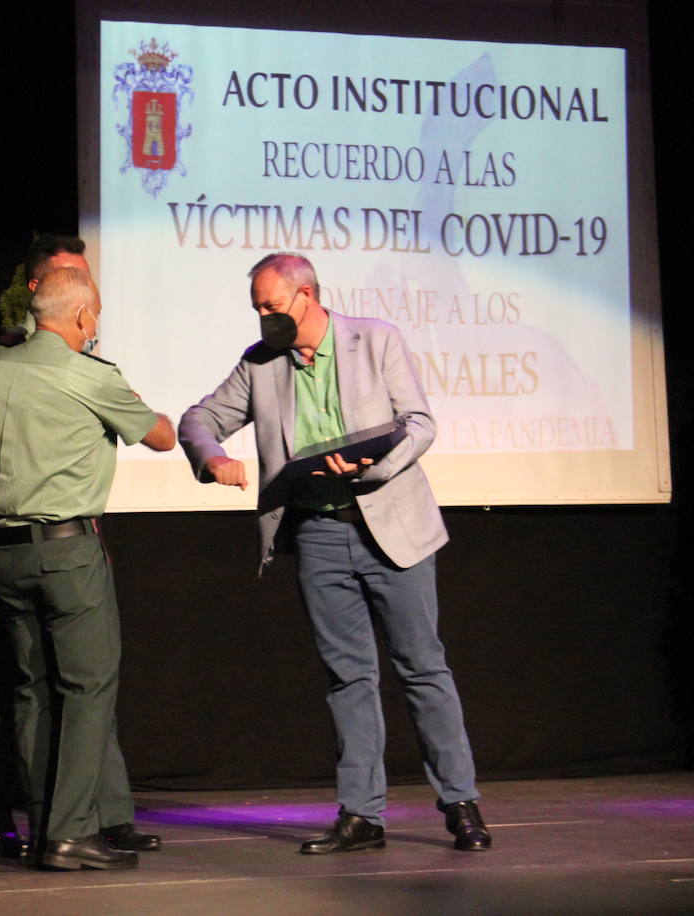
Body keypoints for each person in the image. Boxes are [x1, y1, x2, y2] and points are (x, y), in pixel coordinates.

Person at [178, 252, 491, 854]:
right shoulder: (261, 363)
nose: (263, 318)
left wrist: (375, 463)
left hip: (391, 528)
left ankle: (461, 804)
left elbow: (419, 423)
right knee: (348, 675)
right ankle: (361, 815)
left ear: (308, 295)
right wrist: (212, 456)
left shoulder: (376, 341)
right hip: (319, 534)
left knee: (422, 667)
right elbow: (200, 417)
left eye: (271, 306)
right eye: (257, 309)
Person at [0, 265, 175, 869]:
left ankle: (44, 828)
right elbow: (163, 438)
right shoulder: (89, 375)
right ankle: (69, 834)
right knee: (87, 691)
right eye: (96, 319)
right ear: (83, 318)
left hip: (4, 555)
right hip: (68, 554)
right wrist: (139, 406)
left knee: (30, 692)